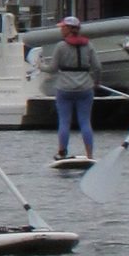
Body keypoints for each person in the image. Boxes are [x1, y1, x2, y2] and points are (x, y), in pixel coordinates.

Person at [39, 15, 99, 160]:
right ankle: (90, 154)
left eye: (63, 27)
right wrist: (96, 82)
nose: (61, 29)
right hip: (85, 88)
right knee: (85, 121)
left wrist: (40, 66)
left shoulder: (61, 46)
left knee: (64, 121)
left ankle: (62, 152)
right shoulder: (89, 45)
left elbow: (52, 68)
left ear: (70, 29)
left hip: (64, 89)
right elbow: (97, 67)